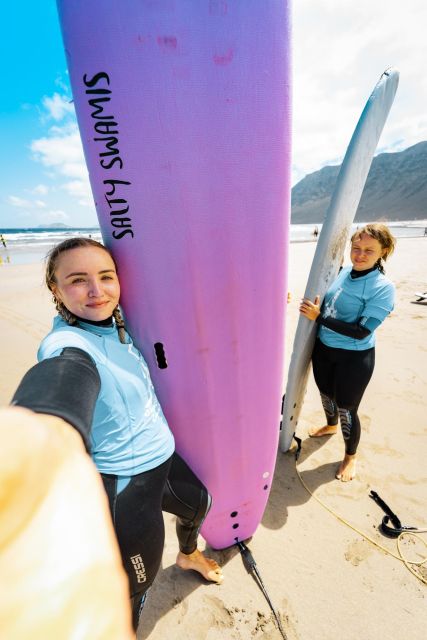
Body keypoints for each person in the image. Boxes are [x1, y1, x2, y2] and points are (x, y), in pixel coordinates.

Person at [33, 237, 223, 630]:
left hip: (165, 459)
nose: (97, 291)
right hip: (126, 485)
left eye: (106, 276)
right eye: (78, 280)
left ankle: (187, 554)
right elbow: (65, 378)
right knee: (136, 587)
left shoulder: (120, 324)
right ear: (56, 288)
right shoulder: (67, 344)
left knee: (199, 505)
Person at [299, 223, 396, 482]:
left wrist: (318, 318)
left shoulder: (382, 288)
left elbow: (361, 331)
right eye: (356, 248)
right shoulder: (343, 271)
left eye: (369, 250)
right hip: (324, 349)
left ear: (383, 252)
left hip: (353, 357)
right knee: (326, 394)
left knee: (347, 408)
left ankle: (350, 456)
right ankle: (330, 426)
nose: (360, 255)